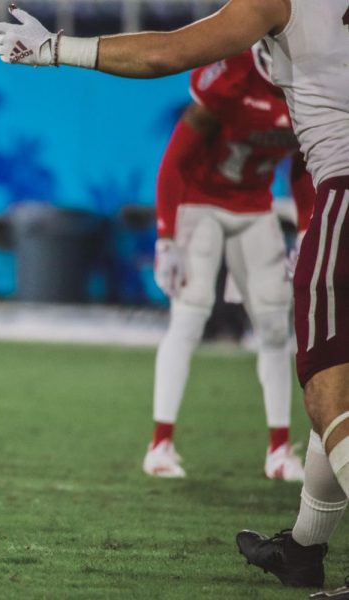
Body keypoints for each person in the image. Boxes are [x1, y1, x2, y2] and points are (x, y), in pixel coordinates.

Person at [0, 0, 349, 592]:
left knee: (329, 391)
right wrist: (167, 233)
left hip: (335, 193)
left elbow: (166, 52)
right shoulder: (233, 81)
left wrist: (56, 48)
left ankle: (284, 486)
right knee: (319, 372)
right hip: (219, 205)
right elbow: (182, 152)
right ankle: (303, 546)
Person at [143, 43, 313, 482]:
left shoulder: (312, 83)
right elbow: (175, 160)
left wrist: (308, 229)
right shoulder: (232, 74)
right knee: (190, 315)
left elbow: (303, 164)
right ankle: (160, 444)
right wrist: (165, 235)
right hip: (202, 204)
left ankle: (279, 451)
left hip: (255, 206)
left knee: (277, 327)